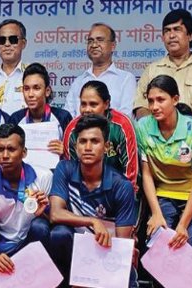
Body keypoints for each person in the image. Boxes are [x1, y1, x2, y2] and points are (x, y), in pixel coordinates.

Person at [48, 115, 137, 287]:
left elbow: (122, 245)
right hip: (75, 253)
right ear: (76, 146)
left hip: (107, 256)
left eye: (95, 141)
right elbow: (55, 214)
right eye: (83, 141)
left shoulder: (121, 186)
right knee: (58, 233)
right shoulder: (64, 169)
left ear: (106, 147)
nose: (88, 147)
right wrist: (93, 221)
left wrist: (96, 278)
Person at [136, 75, 192, 253]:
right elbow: (146, 174)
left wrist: (183, 225)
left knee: (188, 247)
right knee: (158, 242)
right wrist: (156, 214)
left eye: (161, 100)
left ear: (175, 99)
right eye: (150, 101)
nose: (154, 106)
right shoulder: (143, 126)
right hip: (165, 189)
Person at [0, 124, 51, 287]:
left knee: (40, 226)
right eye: (0, 149)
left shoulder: (44, 177)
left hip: (32, 243)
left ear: (24, 152)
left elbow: (53, 222)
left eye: (11, 149)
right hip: (2, 247)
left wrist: (43, 213)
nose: (5, 155)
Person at [133, 9, 192, 128]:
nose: (171, 35)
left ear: (190, 36)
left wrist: (184, 132)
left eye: (177, 29)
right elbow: (141, 109)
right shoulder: (151, 69)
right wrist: (162, 132)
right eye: (167, 31)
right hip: (158, 138)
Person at [63, 80, 138, 192]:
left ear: (106, 104)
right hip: (84, 192)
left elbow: (130, 173)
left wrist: (123, 194)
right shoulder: (72, 130)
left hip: (118, 190)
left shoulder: (122, 125)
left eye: (93, 104)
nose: (87, 110)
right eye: (83, 104)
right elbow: (71, 171)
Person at [64, 23, 136, 117]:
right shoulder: (78, 81)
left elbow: (125, 118)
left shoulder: (126, 79)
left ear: (113, 46)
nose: (94, 45)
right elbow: (68, 117)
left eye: (100, 40)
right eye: (90, 41)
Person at [8, 63, 72, 157]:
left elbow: (75, 154)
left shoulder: (63, 117)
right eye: (26, 89)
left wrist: (65, 151)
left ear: (47, 91)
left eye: (36, 88)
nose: (30, 94)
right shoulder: (16, 119)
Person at [0, 19, 28, 115]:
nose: (7, 44)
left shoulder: (33, 75)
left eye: (13, 40)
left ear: (23, 44)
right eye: (2, 40)